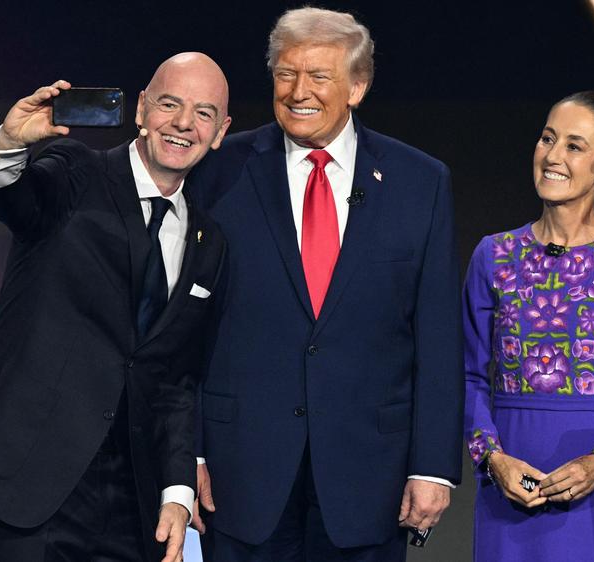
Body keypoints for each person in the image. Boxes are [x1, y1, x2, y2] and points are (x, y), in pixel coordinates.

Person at [187, 7, 463, 561]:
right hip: (241, 469)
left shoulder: (419, 182)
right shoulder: (220, 169)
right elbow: (185, 325)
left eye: (319, 77)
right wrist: (186, 455)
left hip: (370, 476)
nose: (297, 92)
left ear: (357, 87)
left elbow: (437, 335)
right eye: (286, 74)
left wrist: (432, 465)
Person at [0, 52, 232, 562]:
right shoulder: (76, 172)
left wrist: (177, 492)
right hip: (25, 486)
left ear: (221, 131)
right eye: (170, 103)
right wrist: (10, 144)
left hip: (130, 504)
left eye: (204, 112)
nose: (185, 123)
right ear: (142, 110)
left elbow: (177, 379)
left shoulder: (210, 242)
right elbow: (11, 198)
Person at [463, 91, 594, 561]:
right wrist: (493, 459)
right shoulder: (492, 256)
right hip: (509, 493)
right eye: (547, 139)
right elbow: (469, 376)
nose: (553, 156)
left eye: (574, 146)